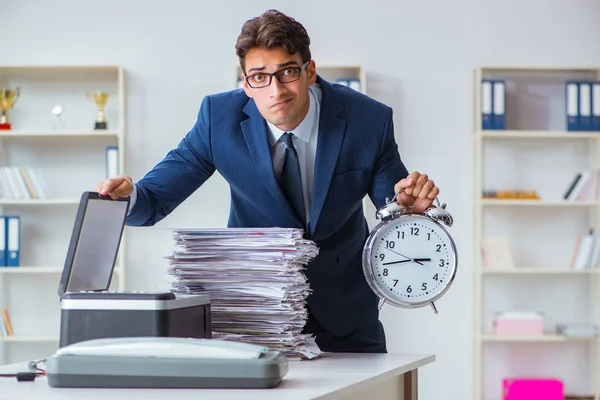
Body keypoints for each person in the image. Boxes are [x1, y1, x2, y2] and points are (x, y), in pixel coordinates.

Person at [95, 9, 440, 353]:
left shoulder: (368, 120)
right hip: (253, 314)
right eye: (259, 76)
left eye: (288, 72)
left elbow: (393, 214)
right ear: (245, 83)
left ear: (310, 72)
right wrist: (129, 198)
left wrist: (407, 210)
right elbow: (153, 202)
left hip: (346, 317)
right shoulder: (218, 120)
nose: (276, 90)